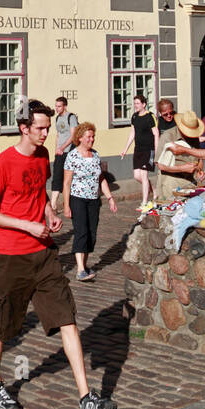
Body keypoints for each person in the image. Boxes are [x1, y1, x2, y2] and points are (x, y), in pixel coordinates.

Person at [0, 98, 117, 409]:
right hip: (10, 255)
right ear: (24, 128)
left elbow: (38, 194)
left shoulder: (42, 157)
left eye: (47, 127)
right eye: (40, 128)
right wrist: (26, 223)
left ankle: (86, 397)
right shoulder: (3, 163)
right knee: (2, 323)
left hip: (43, 253)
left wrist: (50, 213)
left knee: (66, 317)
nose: (46, 134)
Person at [62, 121, 117, 279]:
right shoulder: (72, 156)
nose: (91, 139)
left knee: (92, 233)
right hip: (77, 198)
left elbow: (101, 179)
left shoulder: (95, 154)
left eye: (93, 137)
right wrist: (66, 205)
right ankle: (80, 270)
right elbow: (66, 183)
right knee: (81, 231)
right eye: (88, 137)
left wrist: (110, 198)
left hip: (93, 199)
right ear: (79, 138)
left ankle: (84, 266)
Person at [120, 93, 160, 206]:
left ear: (144, 104)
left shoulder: (150, 116)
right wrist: (125, 149)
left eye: (138, 103)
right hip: (138, 149)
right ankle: (154, 189)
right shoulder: (134, 116)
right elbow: (132, 133)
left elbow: (156, 134)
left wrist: (156, 152)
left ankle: (144, 202)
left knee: (144, 175)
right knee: (136, 176)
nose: (135, 106)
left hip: (149, 150)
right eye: (134, 103)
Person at [156, 110, 203, 202]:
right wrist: (183, 168)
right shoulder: (167, 136)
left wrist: (200, 170)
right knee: (171, 212)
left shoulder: (194, 138)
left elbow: (199, 157)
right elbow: (160, 165)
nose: (190, 135)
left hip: (190, 182)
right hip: (170, 182)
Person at [49, 95, 79, 211]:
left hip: (69, 151)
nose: (57, 108)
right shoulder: (57, 118)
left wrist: (62, 148)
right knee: (57, 176)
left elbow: (73, 135)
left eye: (59, 106)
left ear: (65, 106)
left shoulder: (71, 117)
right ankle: (53, 204)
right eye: (56, 106)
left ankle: (71, 203)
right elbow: (58, 135)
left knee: (68, 178)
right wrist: (57, 149)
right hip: (60, 152)